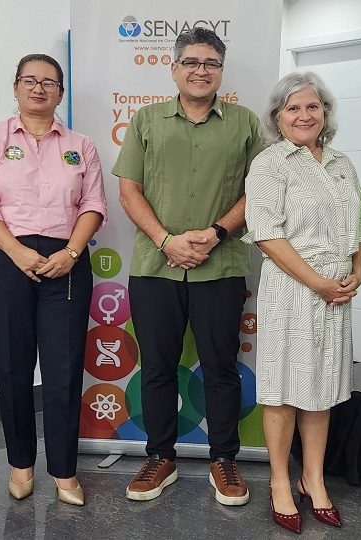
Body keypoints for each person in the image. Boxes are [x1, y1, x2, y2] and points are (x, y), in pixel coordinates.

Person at [113, 27, 264, 505]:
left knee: (221, 367)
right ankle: (160, 457)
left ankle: (224, 460)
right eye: (192, 62)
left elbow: (256, 192)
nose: (201, 71)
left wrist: (216, 233)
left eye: (211, 64)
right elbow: (128, 189)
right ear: (174, 68)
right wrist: (166, 240)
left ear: (221, 70)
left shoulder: (244, 123)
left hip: (219, 267)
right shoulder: (146, 120)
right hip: (155, 267)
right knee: (157, 367)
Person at [0, 54, 107, 506]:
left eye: (49, 82)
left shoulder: (80, 144)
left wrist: (70, 252)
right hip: (7, 259)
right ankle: (20, 464)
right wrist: (20, 251)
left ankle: (65, 472)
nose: (39, 88)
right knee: (12, 366)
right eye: (30, 80)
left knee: (63, 370)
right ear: (16, 87)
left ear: (61, 92)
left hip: (66, 261)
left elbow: (93, 206)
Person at [243, 72, 361, 533]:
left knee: (322, 391)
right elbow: (266, 234)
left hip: (336, 293)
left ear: (325, 113)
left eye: (312, 107)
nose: (304, 115)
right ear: (278, 117)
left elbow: (360, 226)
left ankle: (313, 480)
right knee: (283, 390)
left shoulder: (341, 163)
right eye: (293, 108)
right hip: (294, 290)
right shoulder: (271, 164)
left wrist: (358, 270)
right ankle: (279, 480)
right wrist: (316, 281)